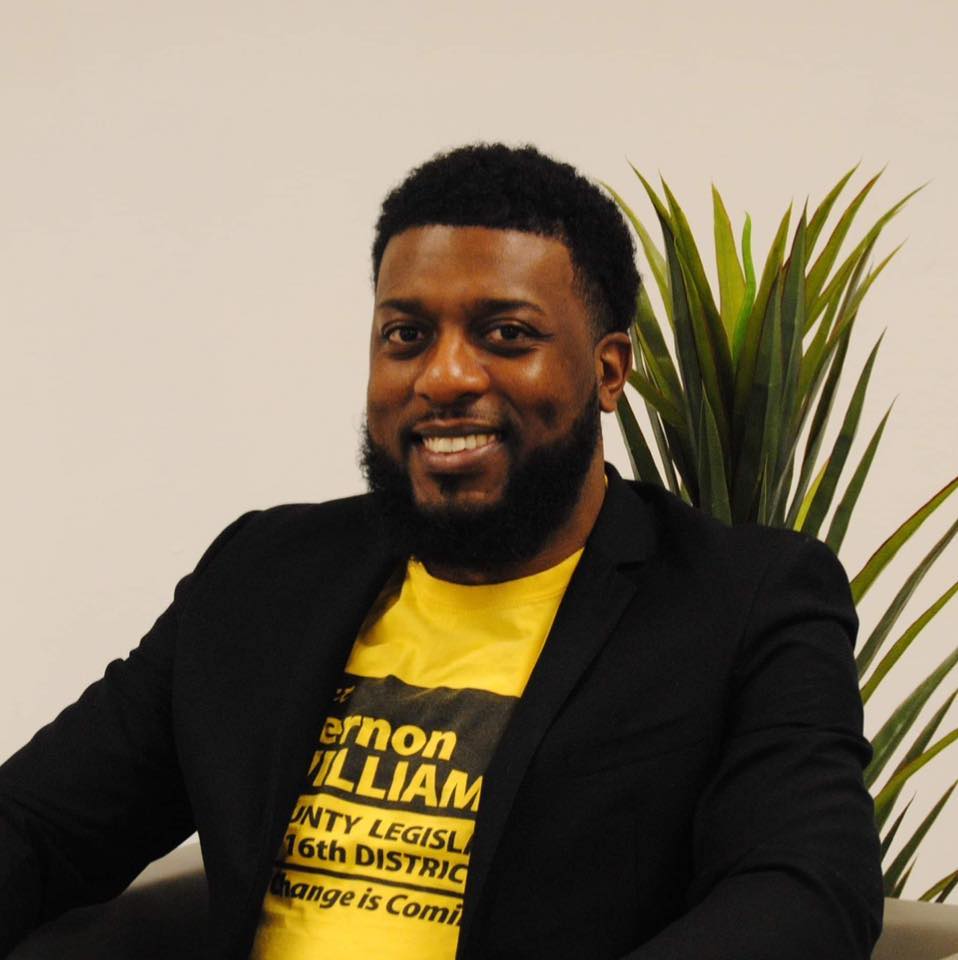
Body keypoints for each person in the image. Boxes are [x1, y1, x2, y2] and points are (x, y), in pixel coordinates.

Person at [0, 143, 882, 959]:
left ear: (609, 370)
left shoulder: (743, 600)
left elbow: (803, 891)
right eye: (406, 335)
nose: (444, 377)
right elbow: (41, 822)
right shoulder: (261, 575)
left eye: (506, 334)